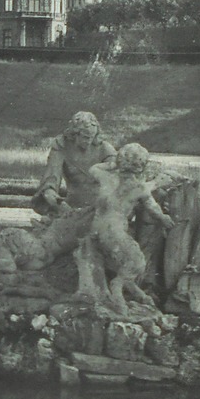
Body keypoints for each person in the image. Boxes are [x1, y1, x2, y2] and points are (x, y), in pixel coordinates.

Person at [80, 142, 173, 310]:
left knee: (122, 261)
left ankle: (136, 293)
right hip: (114, 232)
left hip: (95, 229)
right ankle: (117, 289)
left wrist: (112, 164)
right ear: (142, 166)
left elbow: (93, 168)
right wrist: (164, 218)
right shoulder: (139, 187)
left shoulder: (104, 176)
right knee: (136, 261)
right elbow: (153, 209)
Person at [33, 110, 115, 217]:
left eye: (92, 137)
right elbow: (51, 178)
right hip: (71, 207)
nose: (89, 141)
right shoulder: (61, 146)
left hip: (101, 209)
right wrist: (52, 195)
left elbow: (119, 180)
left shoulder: (105, 149)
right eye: (85, 137)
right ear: (74, 133)